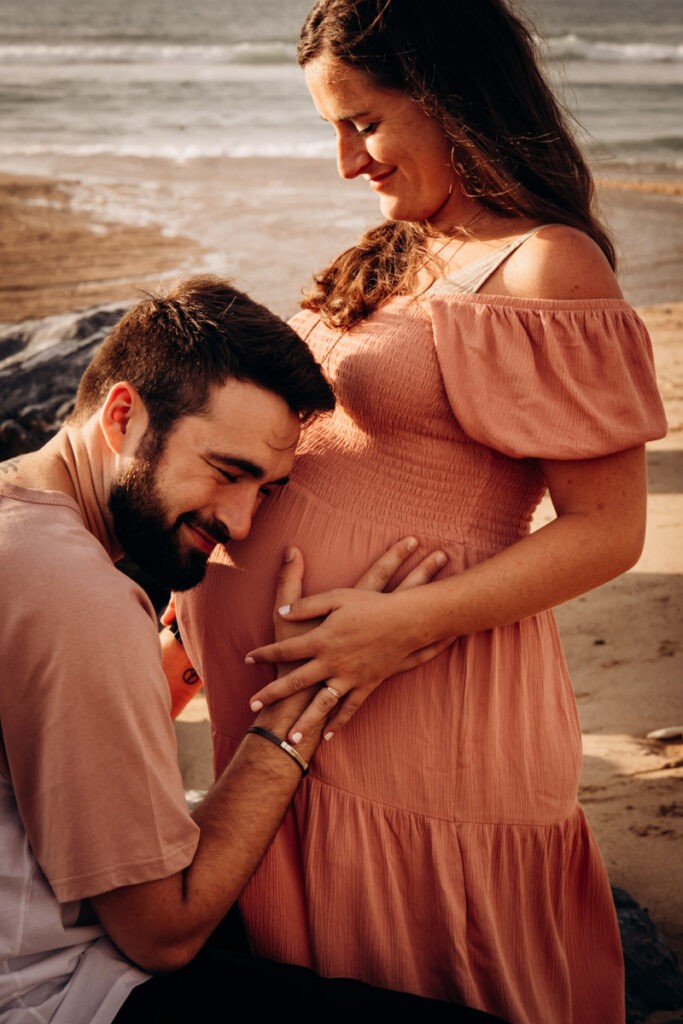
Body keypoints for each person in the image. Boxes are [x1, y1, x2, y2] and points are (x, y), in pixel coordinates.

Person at [174, 3, 669, 1023]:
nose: (348, 163)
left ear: (452, 97)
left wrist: (396, 626)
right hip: (298, 703)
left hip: (417, 699)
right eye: (330, 131)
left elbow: (607, 531)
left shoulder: (543, 263)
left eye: (362, 122)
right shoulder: (398, 246)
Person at [0, 275, 502, 1024]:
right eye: (227, 472)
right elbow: (162, 935)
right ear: (123, 415)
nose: (239, 522)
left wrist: (175, 652)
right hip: (55, 994)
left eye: (267, 491)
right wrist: (299, 712)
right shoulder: (78, 597)